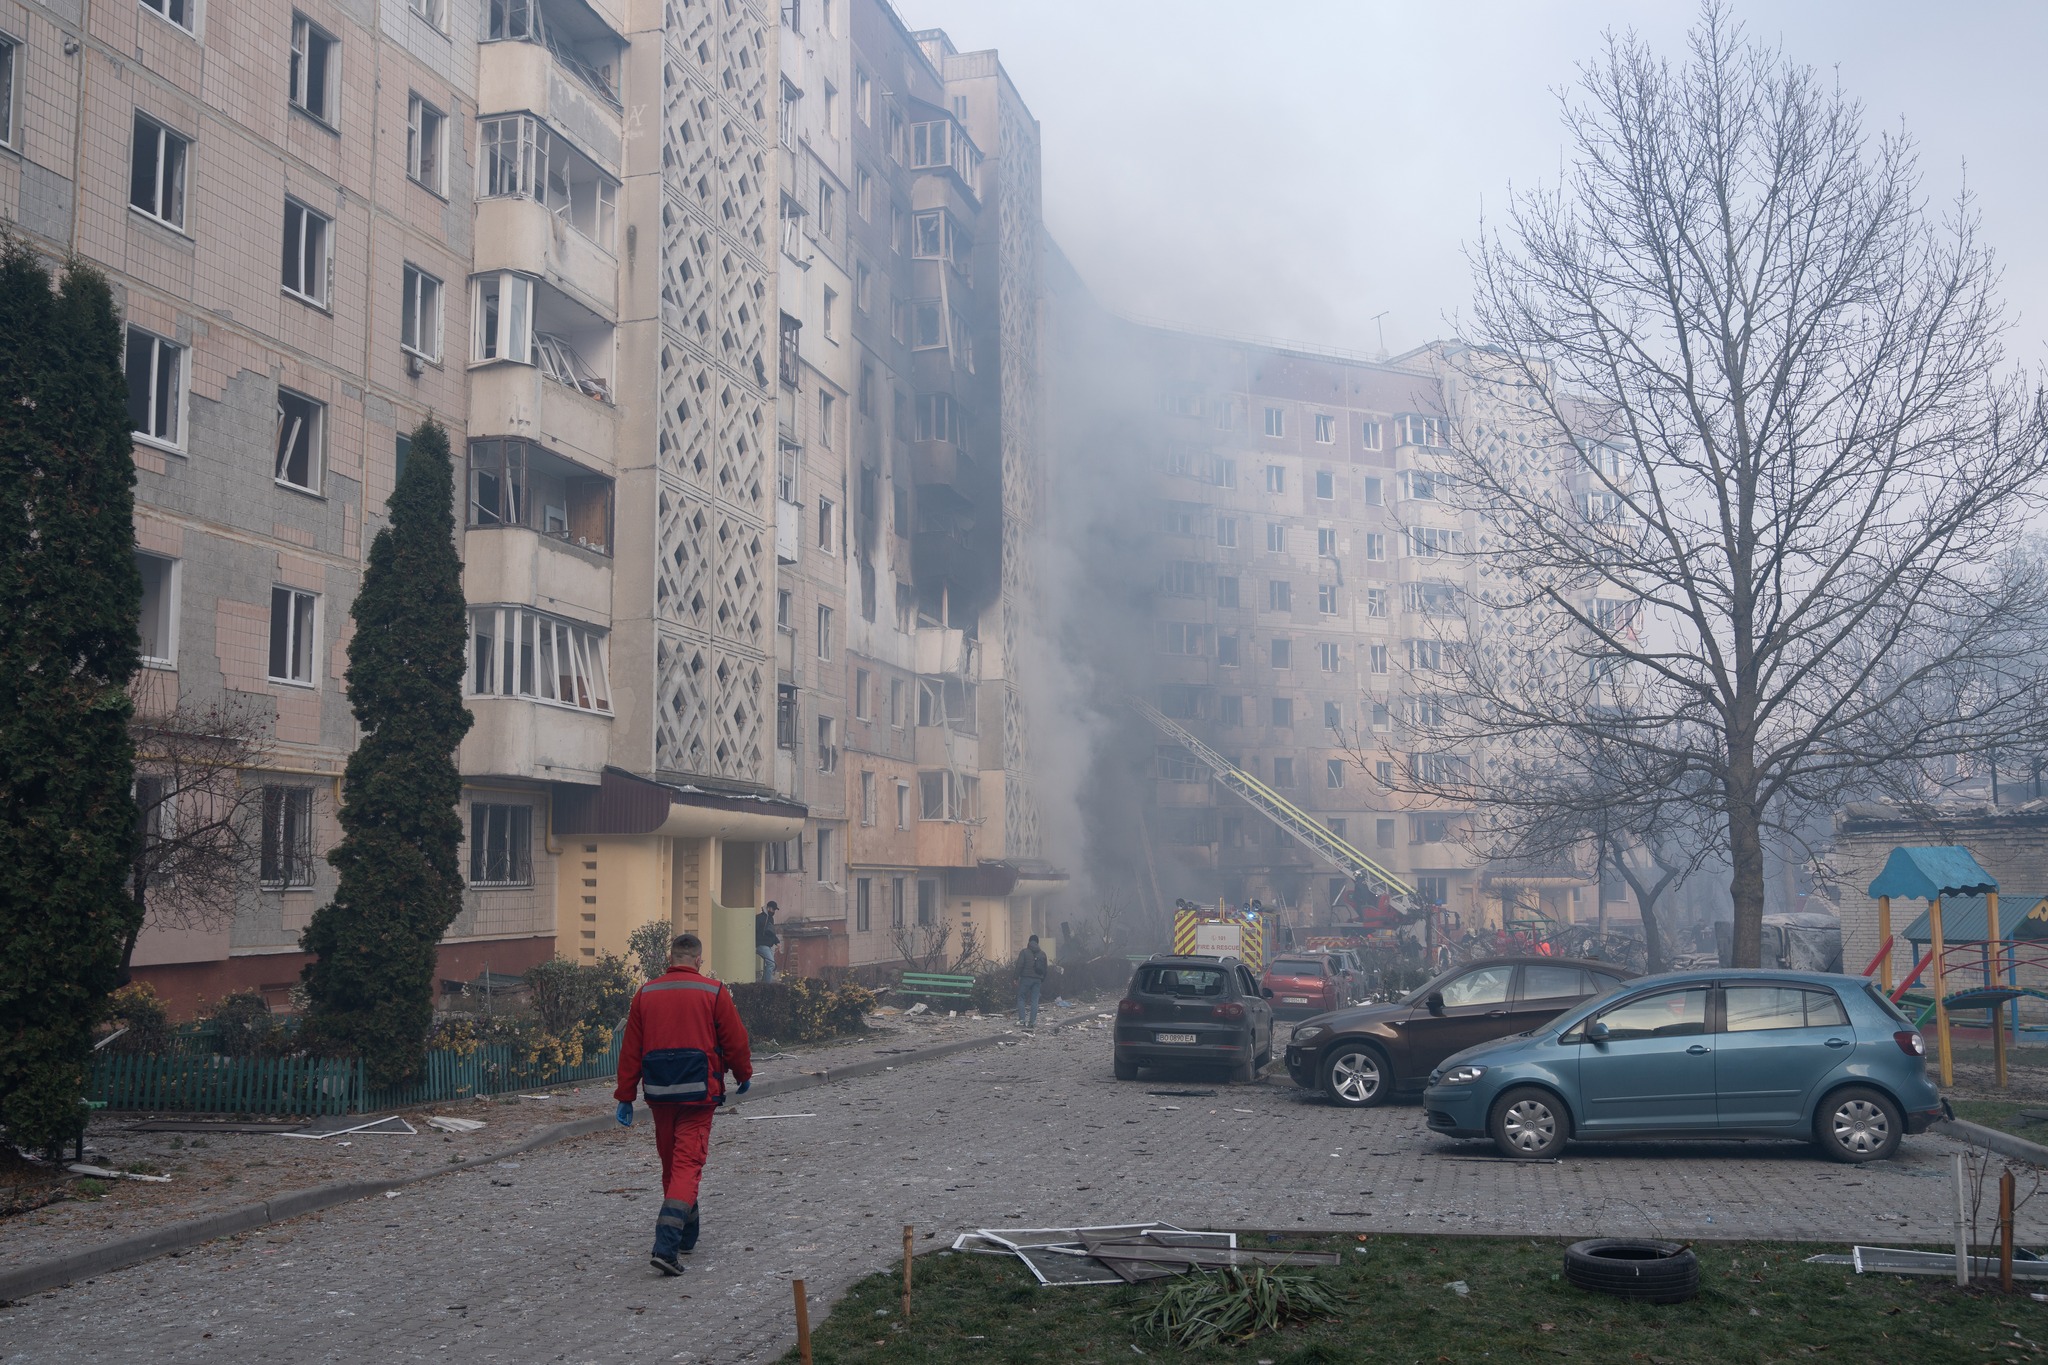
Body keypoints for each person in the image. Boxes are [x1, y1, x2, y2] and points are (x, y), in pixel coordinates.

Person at [614, 932, 753, 1277]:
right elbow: (735, 1040)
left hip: (660, 1094)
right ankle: (666, 1245)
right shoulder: (713, 991)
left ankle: (687, 1234)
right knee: (688, 1165)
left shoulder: (645, 993)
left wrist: (625, 1096)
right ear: (698, 960)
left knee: (672, 1164)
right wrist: (743, 1073)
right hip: (698, 1093)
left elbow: (631, 1048)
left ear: (671, 958)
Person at [1015, 934, 1049, 1029]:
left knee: (1021, 998)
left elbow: (1019, 966)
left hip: (1025, 978)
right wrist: (1042, 979)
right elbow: (1045, 969)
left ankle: (1022, 1020)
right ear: (1037, 942)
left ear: (1029, 942)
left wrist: (1015, 977)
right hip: (1037, 980)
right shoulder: (1042, 954)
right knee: (1035, 1000)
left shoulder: (1024, 952)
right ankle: (1032, 1022)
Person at [755, 902, 780, 982]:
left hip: (768, 946)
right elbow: (754, 931)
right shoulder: (759, 918)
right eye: (773, 909)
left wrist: (777, 942)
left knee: (769, 964)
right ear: (768, 908)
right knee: (771, 964)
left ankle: (764, 983)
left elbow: (771, 933)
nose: (774, 912)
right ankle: (767, 985)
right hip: (761, 945)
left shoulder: (770, 919)